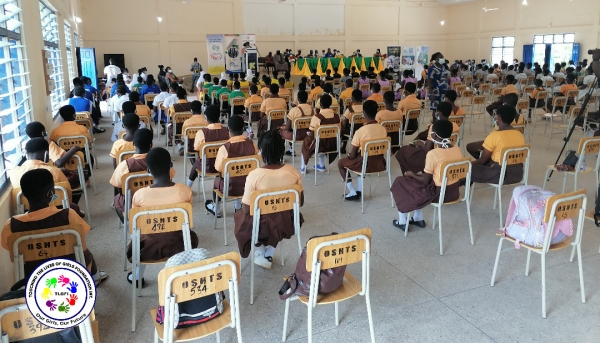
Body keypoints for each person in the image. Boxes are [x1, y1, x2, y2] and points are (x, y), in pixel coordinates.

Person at [2, 169, 108, 285]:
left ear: (24, 194)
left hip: (33, 273)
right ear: (50, 193)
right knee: (83, 249)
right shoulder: (68, 215)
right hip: (69, 268)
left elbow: (10, 247)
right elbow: (81, 236)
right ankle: (95, 276)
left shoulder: (11, 225)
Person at [127, 147, 198, 286]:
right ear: (171, 167)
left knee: (139, 238)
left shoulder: (139, 195)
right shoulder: (184, 190)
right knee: (190, 234)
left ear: (148, 171)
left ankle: (137, 276)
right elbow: (187, 222)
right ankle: (181, 274)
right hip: (179, 246)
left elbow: (136, 228)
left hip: (147, 250)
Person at [234, 130, 304, 268]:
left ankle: (261, 251)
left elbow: (247, 210)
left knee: (240, 217)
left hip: (261, 227)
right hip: (287, 223)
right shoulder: (293, 172)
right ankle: (269, 253)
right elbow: (299, 203)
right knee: (278, 216)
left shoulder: (255, 175)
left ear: (261, 151)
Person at [390, 120, 463, 231]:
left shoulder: (433, 154)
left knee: (400, 182)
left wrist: (412, 174)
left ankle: (402, 221)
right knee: (413, 181)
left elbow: (424, 180)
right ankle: (418, 218)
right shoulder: (457, 150)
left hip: (438, 194)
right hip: (453, 192)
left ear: (433, 135)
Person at [204, 116, 258, 217]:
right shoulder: (252, 144)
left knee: (218, 180)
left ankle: (217, 209)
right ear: (243, 129)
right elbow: (257, 165)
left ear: (228, 129)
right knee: (242, 175)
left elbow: (218, 169)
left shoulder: (225, 148)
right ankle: (237, 207)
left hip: (230, 188)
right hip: (249, 186)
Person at [338, 100, 387, 200]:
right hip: (380, 163)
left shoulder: (361, 131)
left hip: (365, 165)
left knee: (341, 163)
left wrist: (349, 156)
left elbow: (352, 155)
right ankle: (359, 189)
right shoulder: (383, 129)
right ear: (376, 112)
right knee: (361, 158)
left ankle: (352, 191)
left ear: (364, 113)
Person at [109, 129, 163, 220]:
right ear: (151, 145)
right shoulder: (160, 161)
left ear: (133, 144)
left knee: (117, 198)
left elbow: (118, 186)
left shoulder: (124, 165)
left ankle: (131, 225)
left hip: (134, 205)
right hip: (158, 201)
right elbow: (169, 178)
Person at [395, 102, 459, 174]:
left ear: (439, 113)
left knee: (404, 150)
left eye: (436, 111)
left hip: (435, 153)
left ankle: (411, 173)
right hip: (448, 152)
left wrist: (421, 144)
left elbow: (427, 149)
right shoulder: (455, 125)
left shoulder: (434, 127)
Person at [467, 105, 525, 186]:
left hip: (499, 174)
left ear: (499, 117)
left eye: (496, 115)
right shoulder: (519, 134)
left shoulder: (495, 135)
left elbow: (482, 161)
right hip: (517, 174)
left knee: (465, 170)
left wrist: (466, 164)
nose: (494, 117)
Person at [188, 105, 230, 189]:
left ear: (206, 118)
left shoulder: (201, 133)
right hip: (223, 166)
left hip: (207, 167)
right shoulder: (227, 131)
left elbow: (196, 149)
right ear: (219, 116)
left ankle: (188, 186)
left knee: (197, 163)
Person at [300, 94, 340, 174]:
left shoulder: (317, 117)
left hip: (320, 145)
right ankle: (321, 165)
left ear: (320, 104)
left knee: (307, 141)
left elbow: (312, 134)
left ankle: (303, 167)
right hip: (333, 145)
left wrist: (309, 133)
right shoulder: (337, 116)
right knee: (320, 137)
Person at [281, 90, 313, 156]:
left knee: (281, 131)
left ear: (298, 99)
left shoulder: (294, 110)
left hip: (296, 136)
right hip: (309, 135)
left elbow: (288, 128)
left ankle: (289, 151)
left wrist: (283, 127)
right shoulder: (312, 110)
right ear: (307, 99)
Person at [168, 87, 191, 154]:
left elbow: (172, 118)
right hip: (189, 128)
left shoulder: (173, 106)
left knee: (170, 129)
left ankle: (180, 147)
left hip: (178, 128)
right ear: (185, 95)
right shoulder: (191, 105)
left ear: (177, 96)